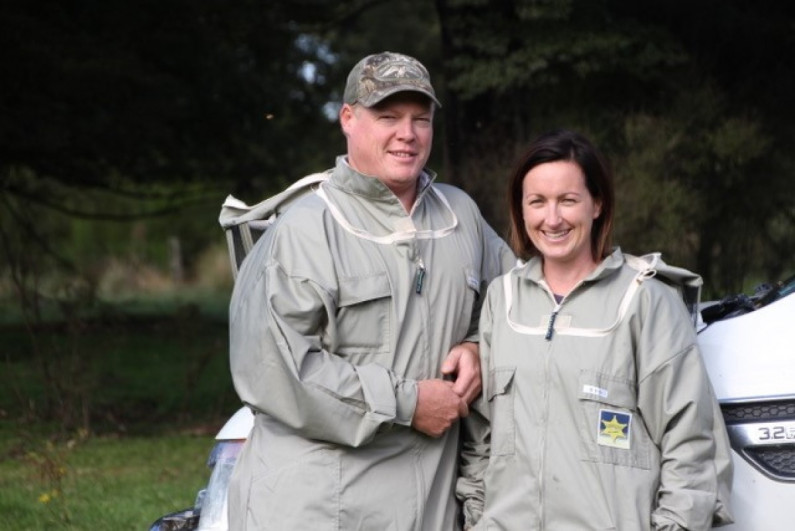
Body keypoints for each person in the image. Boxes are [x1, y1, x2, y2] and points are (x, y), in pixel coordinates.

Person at [226, 51, 516, 530]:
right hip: (319, 510)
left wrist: (477, 346)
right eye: (388, 117)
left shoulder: (460, 216)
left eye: (420, 119)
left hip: (428, 510)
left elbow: (517, 304)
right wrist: (409, 402)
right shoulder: (303, 229)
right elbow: (278, 371)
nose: (407, 133)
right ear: (348, 119)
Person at [456, 129, 734, 530]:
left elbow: (691, 443)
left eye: (568, 200)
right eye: (537, 202)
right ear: (521, 209)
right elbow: (481, 440)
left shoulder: (647, 301)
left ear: (597, 204)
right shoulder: (502, 301)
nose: (552, 219)